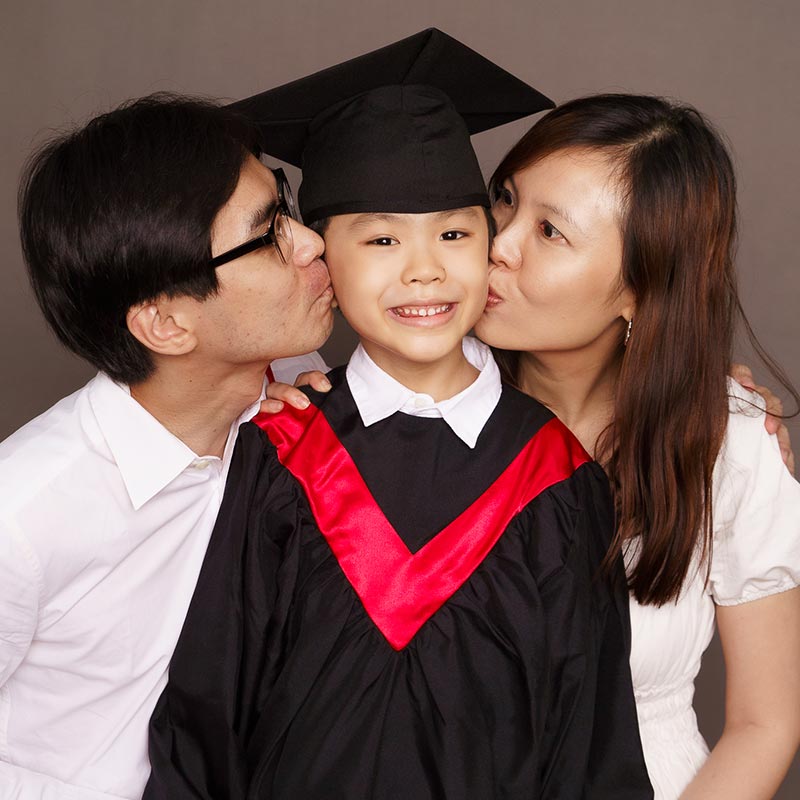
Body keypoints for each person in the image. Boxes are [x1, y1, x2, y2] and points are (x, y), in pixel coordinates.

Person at [145, 30, 653, 800]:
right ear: (322, 260)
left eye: (454, 233)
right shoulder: (277, 454)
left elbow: (590, 749)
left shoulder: (559, 481)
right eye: (381, 238)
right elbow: (205, 720)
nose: (424, 269)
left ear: (489, 249)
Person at [0, 94, 332, 799]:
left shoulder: (296, 398)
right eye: (269, 235)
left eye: (287, 207)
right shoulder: (22, 514)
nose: (312, 243)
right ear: (166, 324)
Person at [473, 93, 800, 799]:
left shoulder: (730, 442)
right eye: (504, 199)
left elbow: (765, 722)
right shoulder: (417, 411)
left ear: (640, 290)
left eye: (550, 231)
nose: (498, 242)